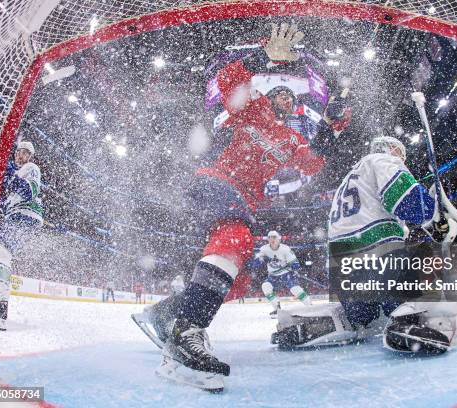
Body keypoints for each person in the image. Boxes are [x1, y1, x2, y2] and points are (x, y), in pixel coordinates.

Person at [138, 23, 350, 392]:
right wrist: (262, 57)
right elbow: (226, 81)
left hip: (241, 202)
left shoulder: (293, 142)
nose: (283, 99)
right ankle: (185, 335)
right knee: (235, 237)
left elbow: (316, 162)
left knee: (237, 280)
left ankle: (167, 313)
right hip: (215, 183)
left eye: (288, 97)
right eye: (278, 94)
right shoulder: (254, 109)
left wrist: (332, 127)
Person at [272, 136, 457, 354]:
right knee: (409, 289)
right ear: (391, 149)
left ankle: (334, 322)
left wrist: (432, 226)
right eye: (401, 154)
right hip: (377, 252)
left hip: (341, 265)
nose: (403, 160)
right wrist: (437, 218)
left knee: (364, 317)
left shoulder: (350, 179)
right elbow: (406, 200)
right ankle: (408, 322)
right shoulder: (383, 161)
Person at [0, 140, 43, 331]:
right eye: (19, 152)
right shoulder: (14, 171)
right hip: (16, 217)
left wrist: (8, 176)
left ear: (30, 156)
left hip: (26, 217)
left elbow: (30, 191)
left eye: (25, 153)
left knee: (1, 253)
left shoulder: (31, 168)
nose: (20, 156)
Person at [253, 230, 311, 317]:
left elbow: (296, 264)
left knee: (295, 289)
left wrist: (292, 266)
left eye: (274, 237)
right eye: (270, 237)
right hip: (273, 276)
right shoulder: (264, 249)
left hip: (286, 275)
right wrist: (262, 259)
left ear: (279, 239)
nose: (272, 239)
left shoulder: (285, 249)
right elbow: (254, 263)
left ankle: (310, 307)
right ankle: (277, 309)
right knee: (265, 286)